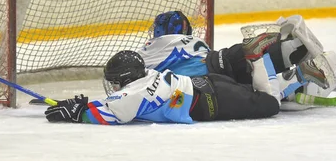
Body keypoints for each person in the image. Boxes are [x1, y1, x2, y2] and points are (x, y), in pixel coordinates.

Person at [103, 11, 336, 110]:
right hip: (224, 57)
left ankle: (303, 71)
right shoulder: (190, 41)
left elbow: (132, 75)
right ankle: (292, 45)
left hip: (212, 77)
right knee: (264, 64)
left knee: (268, 96)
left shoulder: (152, 48)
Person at [45, 50, 281, 124]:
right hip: (212, 83)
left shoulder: (133, 94)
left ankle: (260, 59)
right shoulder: (146, 76)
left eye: (116, 82)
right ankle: (294, 75)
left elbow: (106, 114)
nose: (114, 87)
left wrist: (77, 112)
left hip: (216, 101)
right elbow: (116, 102)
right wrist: (83, 102)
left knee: (272, 104)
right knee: (258, 95)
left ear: (126, 79)